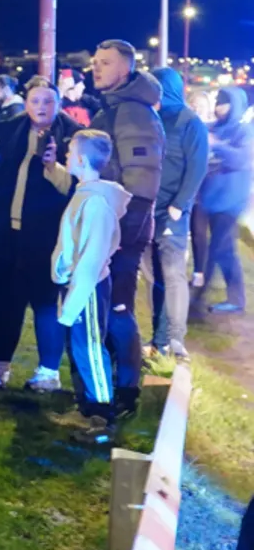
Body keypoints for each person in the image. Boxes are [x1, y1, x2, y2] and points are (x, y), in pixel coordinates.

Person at [0, 76, 79, 391]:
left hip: (46, 237)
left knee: (45, 304)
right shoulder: (10, 130)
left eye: (48, 101)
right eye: (35, 101)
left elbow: (74, 187)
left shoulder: (71, 136)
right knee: (6, 302)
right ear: (27, 102)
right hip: (8, 233)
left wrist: (53, 168)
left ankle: (48, 373)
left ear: (58, 104)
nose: (41, 107)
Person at [89, 39, 164, 420]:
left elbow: (141, 180)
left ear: (125, 69)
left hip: (122, 229)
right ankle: (113, 386)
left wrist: (120, 232)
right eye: (94, 62)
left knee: (118, 307)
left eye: (104, 63)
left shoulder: (132, 113)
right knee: (108, 307)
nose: (95, 68)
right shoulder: (117, 108)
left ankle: (125, 392)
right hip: (112, 224)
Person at [53, 129, 130, 443]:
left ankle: (102, 417)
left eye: (70, 152)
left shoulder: (96, 203)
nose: (66, 156)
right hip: (79, 284)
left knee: (90, 348)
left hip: (88, 287)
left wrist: (73, 301)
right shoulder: (86, 193)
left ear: (82, 160)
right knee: (80, 346)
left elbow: (91, 257)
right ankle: (86, 407)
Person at [146, 67, 209, 359]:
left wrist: (178, 205)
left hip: (171, 213)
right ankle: (158, 340)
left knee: (173, 276)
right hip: (148, 211)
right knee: (154, 278)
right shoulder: (151, 118)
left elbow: (197, 168)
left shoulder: (190, 122)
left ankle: (175, 339)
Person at [198, 86, 252, 314]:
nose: (218, 107)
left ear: (234, 105)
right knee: (218, 248)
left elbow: (242, 159)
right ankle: (231, 298)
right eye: (217, 102)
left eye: (223, 103)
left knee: (219, 247)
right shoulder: (213, 128)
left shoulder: (244, 132)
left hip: (230, 200)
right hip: (208, 198)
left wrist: (217, 145)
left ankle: (199, 298)